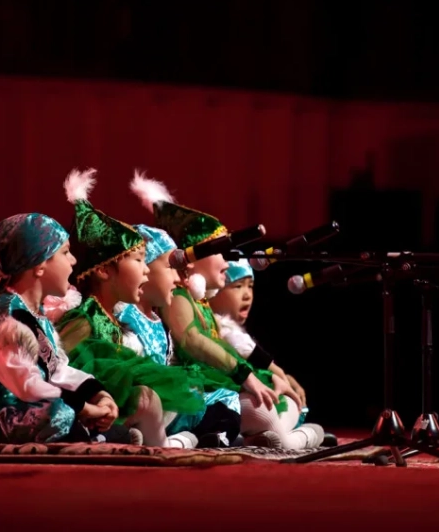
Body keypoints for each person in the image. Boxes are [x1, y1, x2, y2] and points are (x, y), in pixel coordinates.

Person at [130, 170, 324, 449]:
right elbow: (193, 340)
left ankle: (289, 436)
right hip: (195, 389)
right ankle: (297, 439)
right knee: (263, 408)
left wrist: (272, 370)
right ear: (190, 259)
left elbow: (233, 342)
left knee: (280, 396)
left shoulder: (199, 302)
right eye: (220, 253)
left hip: (209, 388)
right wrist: (246, 375)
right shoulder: (179, 297)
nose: (226, 263)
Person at [0, 212, 129, 445]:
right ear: (39, 266)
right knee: (56, 411)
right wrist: (85, 409)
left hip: (17, 412)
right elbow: (28, 386)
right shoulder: (5, 317)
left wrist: (98, 394)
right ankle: (89, 437)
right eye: (65, 252)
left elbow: (57, 370)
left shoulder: (34, 315)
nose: (73, 261)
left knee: (63, 408)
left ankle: (89, 435)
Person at [54, 168, 206, 448]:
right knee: (147, 399)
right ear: (104, 270)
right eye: (137, 260)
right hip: (90, 412)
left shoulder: (116, 320)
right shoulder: (84, 320)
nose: (146, 270)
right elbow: (56, 367)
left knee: (180, 393)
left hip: (115, 408)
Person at [115, 223, 243, 447]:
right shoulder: (122, 316)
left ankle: (185, 440)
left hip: (166, 404)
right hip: (138, 403)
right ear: (144, 268)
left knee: (225, 400)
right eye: (170, 268)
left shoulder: (158, 319)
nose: (180, 279)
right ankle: (173, 442)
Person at [210, 259, 337, 448]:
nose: (247, 295)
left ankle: (281, 435)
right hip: (229, 398)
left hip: (249, 396)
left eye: (250, 286)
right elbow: (247, 351)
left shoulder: (235, 331)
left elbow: (255, 356)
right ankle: (306, 436)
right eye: (237, 286)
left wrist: (282, 378)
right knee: (265, 415)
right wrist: (279, 374)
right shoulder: (216, 326)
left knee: (287, 401)